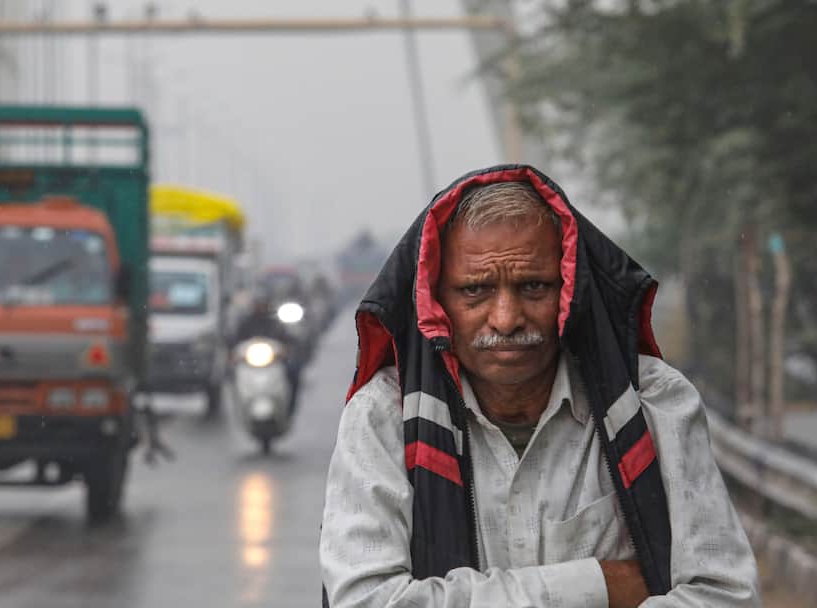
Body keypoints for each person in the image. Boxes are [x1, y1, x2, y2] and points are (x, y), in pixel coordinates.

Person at [319, 165, 760, 607]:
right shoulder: (384, 416)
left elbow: (726, 595)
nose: (507, 319)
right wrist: (599, 586)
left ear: (570, 292)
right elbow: (364, 601)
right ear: (437, 303)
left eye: (533, 286)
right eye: (476, 291)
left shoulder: (651, 403)